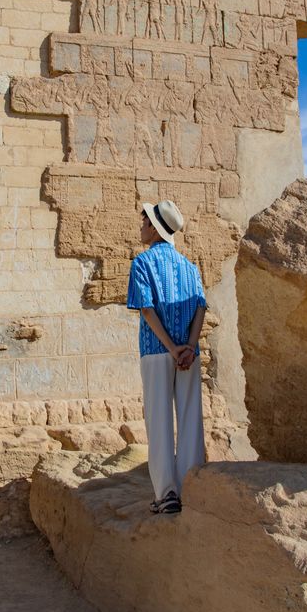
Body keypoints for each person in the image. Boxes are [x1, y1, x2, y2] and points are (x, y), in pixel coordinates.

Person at [127, 200, 207, 514]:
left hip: (157, 352)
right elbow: (200, 306)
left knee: (158, 421)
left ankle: (167, 495)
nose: (141, 227)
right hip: (189, 354)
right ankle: (192, 488)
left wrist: (172, 349)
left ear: (154, 228)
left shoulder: (142, 263)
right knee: (190, 420)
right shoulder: (190, 267)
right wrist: (187, 346)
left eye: (144, 221)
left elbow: (146, 309)